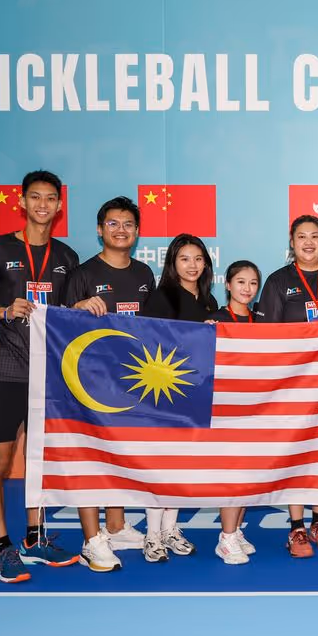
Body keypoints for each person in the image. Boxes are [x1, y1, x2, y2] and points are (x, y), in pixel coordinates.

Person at [0, 169, 81, 582]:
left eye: (50, 198)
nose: (42, 205)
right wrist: (3, 310)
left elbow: (67, 316)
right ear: (22, 201)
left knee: (39, 459)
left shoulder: (66, 257)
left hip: (49, 373)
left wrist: (83, 310)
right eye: (35, 197)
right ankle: (2, 548)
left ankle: (35, 538)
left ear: (59, 206)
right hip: (6, 370)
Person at [258, 216, 318, 558]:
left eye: (315, 236)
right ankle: (296, 527)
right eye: (301, 237)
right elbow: (267, 337)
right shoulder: (278, 281)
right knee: (297, 452)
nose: (309, 242)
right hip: (294, 383)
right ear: (292, 242)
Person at [64, 196, 156, 571]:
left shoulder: (144, 274)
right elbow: (59, 326)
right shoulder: (82, 274)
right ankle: (91, 540)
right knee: (90, 457)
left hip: (130, 382)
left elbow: (153, 329)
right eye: (113, 224)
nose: (121, 230)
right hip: (87, 382)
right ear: (100, 229)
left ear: (137, 231)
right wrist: (77, 308)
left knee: (117, 454)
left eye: (128, 224)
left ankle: (115, 526)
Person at [139, 233, 218, 561]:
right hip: (165, 393)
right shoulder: (162, 297)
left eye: (198, 259)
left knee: (181, 465)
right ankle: (151, 535)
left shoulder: (209, 301)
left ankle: (170, 529)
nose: (192, 265)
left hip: (196, 393)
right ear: (172, 263)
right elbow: (148, 342)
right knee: (161, 465)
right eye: (184, 259)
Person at [208, 260, 262, 565]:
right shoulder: (216, 319)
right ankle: (226, 538)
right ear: (228, 285)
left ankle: (236, 530)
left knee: (249, 472)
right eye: (241, 282)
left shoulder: (260, 320)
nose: (247, 288)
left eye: (253, 283)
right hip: (226, 409)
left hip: (255, 408)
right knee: (234, 473)